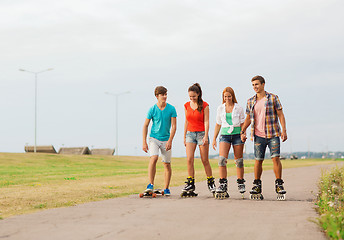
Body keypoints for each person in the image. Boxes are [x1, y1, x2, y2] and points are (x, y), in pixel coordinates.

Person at [240, 75, 287, 200]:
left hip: (273, 134)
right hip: (258, 135)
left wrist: (284, 130)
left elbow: (281, 115)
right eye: (253, 85)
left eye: (257, 84)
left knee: (275, 158)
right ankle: (257, 185)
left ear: (263, 84)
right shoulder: (250, 101)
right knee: (258, 160)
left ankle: (279, 184)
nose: (255, 87)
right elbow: (248, 118)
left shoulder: (273, 98)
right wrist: (242, 130)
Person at [182, 83, 215, 197]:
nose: (192, 98)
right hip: (190, 134)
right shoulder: (186, 105)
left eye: (194, 96)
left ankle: (210, 181)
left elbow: (206, 121)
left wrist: (206, 135)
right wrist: (184, 135)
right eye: (190, 97)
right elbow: (186, 121)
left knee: (204, 160)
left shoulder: (205, 105)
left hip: (201, 134)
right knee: (189, 159)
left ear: (198, 94)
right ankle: (190, 182)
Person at [142, 86, 177, 196]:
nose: (165, 96)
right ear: (157, 96)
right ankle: (151, 184)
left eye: (166, 94)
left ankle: (166, 188)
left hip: (166, 139)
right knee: (154, 158)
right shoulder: (152, 109)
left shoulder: (171, 109)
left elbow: (174, 126)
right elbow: (145, 125)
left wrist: (170, 140)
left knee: (167, 164)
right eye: (163, 95)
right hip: (154, 138)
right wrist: (144, 142)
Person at [212, 87, 246, 199]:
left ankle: (240, 182)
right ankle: (223, 183)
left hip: (237, 135)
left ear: (233, 96)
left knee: (239, 161)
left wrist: (243, 134)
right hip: (225, 135)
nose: (227, 98)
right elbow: (218, 124)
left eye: (229, 96)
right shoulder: (220, 108)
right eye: (225, 96)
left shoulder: (239, 108)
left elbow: (242, 123)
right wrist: (214, 138)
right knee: (222, 159)